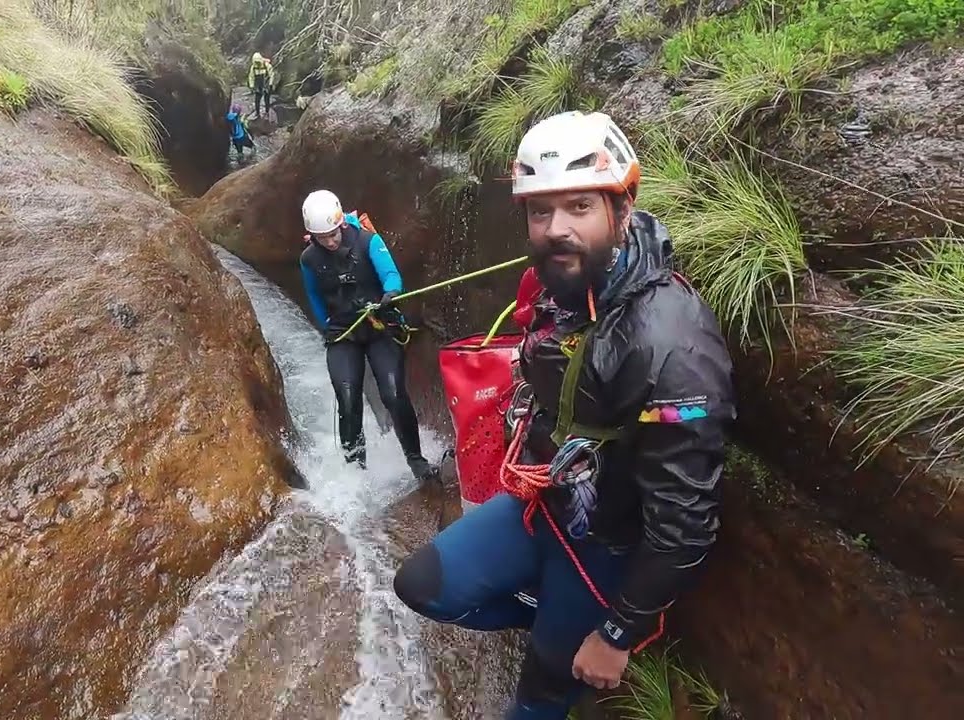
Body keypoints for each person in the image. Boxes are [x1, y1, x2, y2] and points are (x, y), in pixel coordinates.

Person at [392, 110, 735, 719]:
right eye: (540, 212)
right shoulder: (569, 288)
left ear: (622, 209)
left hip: (607, 543)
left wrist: (617, 634)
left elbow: (685, 525)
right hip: (547, 505)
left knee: (543, 690)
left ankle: (566, 634)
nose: (556, 230)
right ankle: (552, 611)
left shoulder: (672, 347)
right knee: (422, 587)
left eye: (579, 207)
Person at [298, 189, 436, 483]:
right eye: (323, 237)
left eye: (334, 234)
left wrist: (391, 293)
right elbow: (313, 294)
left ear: (341, 224)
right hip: (343, 334)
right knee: (348, 400)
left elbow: (391, 274)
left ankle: (416, 460)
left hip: (379, 327)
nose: (331, 241)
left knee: (393, 394)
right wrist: (326, 325)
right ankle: (355, 472)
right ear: (313, 236)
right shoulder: (309, 259)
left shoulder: (367, 241)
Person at [247, 51, 275, 118]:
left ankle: (267, 112)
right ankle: (257, 113)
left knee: (267, 99)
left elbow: (271, 75)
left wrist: (270, 84)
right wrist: (252, 85)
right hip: (258, 85)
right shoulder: (253, 67)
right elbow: (251, 77)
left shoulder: (267, 65)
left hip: (266, 84)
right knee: (257, 99)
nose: (257, 63)